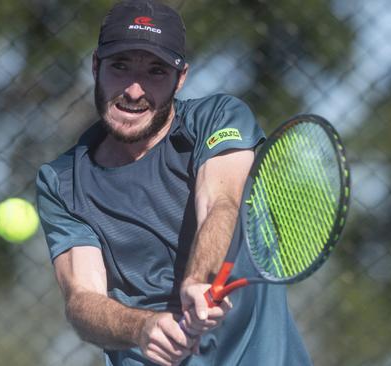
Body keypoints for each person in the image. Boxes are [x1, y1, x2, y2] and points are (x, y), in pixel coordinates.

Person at [36, 1, 312, 365]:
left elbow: (220, 202)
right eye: (120, 66)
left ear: (180, 78)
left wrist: (196, 281)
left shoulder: (217, 119)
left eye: (155, 71)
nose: (134, 90)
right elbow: (82, 299)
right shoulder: (62, 182)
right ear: (95, 66)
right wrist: (142, 327)